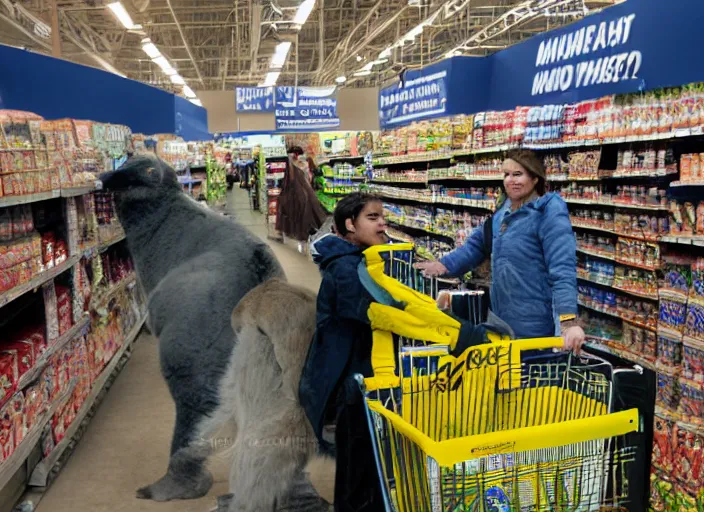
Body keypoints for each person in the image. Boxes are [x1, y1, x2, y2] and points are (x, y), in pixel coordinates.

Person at [299, 192, 506, 512]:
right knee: (362, 466)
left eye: (383, 216)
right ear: (349, 225)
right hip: (353, 384)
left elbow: (404, 300)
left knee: (364, 467)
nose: (383, 224)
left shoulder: (359, 260)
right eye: (373, 218)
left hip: (360, 379)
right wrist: (461, 334)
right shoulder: (347, 270)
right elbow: (393, 312)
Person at [415, 149, 585, 352]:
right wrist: (443, 265)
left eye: (517, 174)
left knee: (531, 378)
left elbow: (562, 268)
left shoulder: (548, 212)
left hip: (534, 325)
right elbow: (475, 246)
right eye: (506, 175)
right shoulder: (502, 213)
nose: (510, 181)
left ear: (535, 178)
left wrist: (568, 321)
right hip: (501, 320)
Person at [275, 146, 328, 245]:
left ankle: (300, 232)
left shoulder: (295, 165)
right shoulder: (304, 163)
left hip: (297, 192)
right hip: (305, 191)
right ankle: (306, 231)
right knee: (304, 212)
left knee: (295, 212)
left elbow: (292, 179)